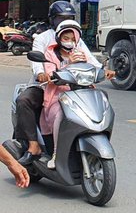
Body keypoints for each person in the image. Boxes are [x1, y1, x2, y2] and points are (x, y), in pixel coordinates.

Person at [13, 1, 111, 166]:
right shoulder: (44, 39)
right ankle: (34, 145)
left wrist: (103, 70)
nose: (64, 21)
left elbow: (91, 59)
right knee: (24, 100)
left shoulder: (74, 37)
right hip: (47, 84)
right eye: (60, 17)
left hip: (74, 84)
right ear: (52, 19)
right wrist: (41, 74)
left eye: (68, 17)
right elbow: (38, 63)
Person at [41, 20, 114, 169]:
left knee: (102, 101)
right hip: (58, 94)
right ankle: (56, 154)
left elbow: (92, 67)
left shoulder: (80, 53)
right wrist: (67, 63)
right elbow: (50, 73)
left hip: (81, 92)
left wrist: (104, 72)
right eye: (66, 39)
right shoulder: (50, 53)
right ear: (59, 38)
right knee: (60, 114)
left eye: (73, 39)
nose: (69, 42)